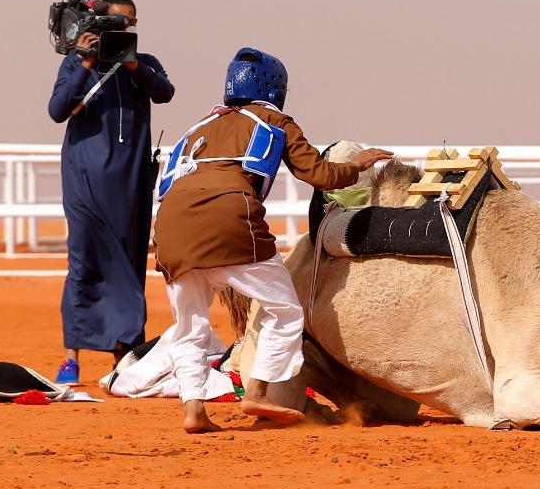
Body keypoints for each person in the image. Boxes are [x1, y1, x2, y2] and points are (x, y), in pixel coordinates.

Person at [152, 48, 392, 433]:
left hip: (169, 229)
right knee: (285, 311)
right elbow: (319, 174)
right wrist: (356, 166)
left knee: (188, 326)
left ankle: (194, 411)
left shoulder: (198, 126)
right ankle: (257, 392)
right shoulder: (274, 120)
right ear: (276, 88)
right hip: (229, 219)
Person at [47, 0, 174, 386]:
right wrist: (85, 61)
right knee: (83, 261)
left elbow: (165, 93)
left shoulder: (143, 64)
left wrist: (133, 64)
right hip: (85, 179)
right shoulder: (76, 62)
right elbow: (56, 110)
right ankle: (71, 358)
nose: (122, 29)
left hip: (131, 182)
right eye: (114, 22)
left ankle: (126, 353)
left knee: (129, 263)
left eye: (128, 23)